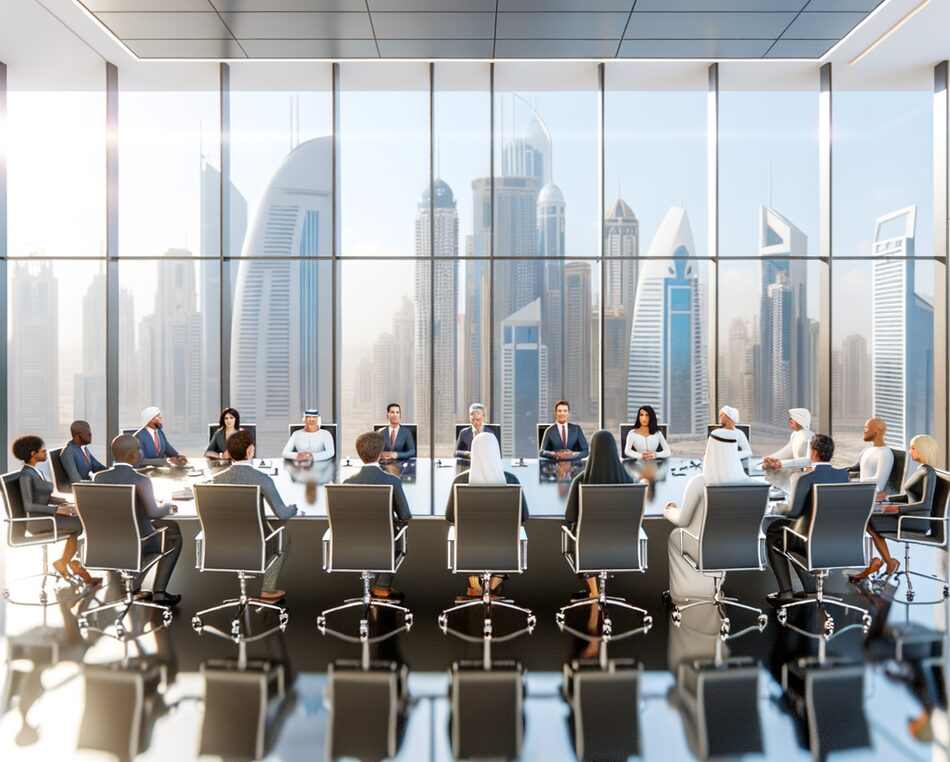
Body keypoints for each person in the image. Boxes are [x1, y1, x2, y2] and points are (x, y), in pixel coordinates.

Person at [664, 428, 751, 604]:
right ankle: (713, 589)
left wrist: (669, 510)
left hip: (705, 548)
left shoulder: (700, 482)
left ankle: (681, 593)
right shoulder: (751, 484)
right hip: (738, 547)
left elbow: (682, 521)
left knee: (675, 536)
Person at [93, 435, 182, 606]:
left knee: (167, 526)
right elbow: (154, 512)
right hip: (139, 541)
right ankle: (159, 592)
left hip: (107, 542)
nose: (142, 452)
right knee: (174, 534)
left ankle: (133, 583)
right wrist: (169, 506)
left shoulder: (99, 478)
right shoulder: (141, 480)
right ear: (133, 455)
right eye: (139, 449)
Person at [213, 430, 299, 602]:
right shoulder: (262, 479)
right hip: (256, 542)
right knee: (283, 537)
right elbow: (282, 514)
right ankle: (267, 589)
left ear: (229, 453)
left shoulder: (217, 479)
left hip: (223, 543)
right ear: (250, 450)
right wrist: (294, 508)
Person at [765, 434, 849, 604]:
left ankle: (786, 592)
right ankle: (810, 587)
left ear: (814, 452)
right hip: (838, 541)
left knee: (774, 531)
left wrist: (776, 507)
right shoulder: (843, 477)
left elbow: (793, 512)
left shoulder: (805, 478)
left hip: (809, 540)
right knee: (788, 531)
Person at [445, 432, 529, 598]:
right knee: (506, 535)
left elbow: (450, 517)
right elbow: (524, 516)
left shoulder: (460, 481)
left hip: (468, 551)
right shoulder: (511, 479)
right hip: (505, 551)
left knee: (465, 534)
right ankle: (493, 583)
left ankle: (475, 585)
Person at [851, 433, 939, 582]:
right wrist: (887, 499)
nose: (910, 451)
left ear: (923, 450)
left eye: (913, 448)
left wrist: (898, 509)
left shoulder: (928, 473)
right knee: (868, 520)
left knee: (869, 520)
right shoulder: (921, 469)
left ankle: (885, 561)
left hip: (916, 520)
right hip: (908, 515)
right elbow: (908, 496)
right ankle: (887, 561)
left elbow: (926, 504)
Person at [13, 435, 100, 586]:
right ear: (33, 454)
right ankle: (70, 562)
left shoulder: (36, 472)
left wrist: (66, 503)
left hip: (46, 515)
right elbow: (29, 506)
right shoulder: (26, 476)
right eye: (42, 451)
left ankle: (67, 562)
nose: (45, 452)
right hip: (37, 521)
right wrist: (58, 509)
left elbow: (45, 497)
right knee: (79, 524)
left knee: (79, 522)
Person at [564, 430, 634, 600]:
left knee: (580, 532)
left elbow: (570, 516)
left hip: (588, 545)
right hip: (622, 545)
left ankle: (594, 592)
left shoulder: (581, 480)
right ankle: (596, 593)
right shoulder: (628, 480)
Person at [344, 431, 412, 599]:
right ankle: (382, 586)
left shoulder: (348, 483)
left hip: (352, 543)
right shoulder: (392, 481)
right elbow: (405, 516)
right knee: (397, 536)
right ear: (381, 453)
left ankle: (379, 586)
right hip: (384, 542)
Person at [761, 408, 813, 491]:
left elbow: (809, 461)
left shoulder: (810, 436)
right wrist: (769, 459)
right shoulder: (795, 434)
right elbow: (786, 451)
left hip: (805, 472)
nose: (789, 420)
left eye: (792, 418)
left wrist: (781, 464)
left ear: (801, 420)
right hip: (794, 468)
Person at [847, 416, 895, 501]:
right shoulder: (867, 450)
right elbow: (855, 468)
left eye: (866, 428)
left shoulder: (885, 454)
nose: (864, 431)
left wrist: (852, 482)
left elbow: (879, 483)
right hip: (861, 493)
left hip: (870, 498)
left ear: (877, 431)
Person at [61, 419, 107, 484]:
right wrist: (94, 483)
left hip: (88, 485)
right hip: (82, 488)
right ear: (77, 436)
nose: (90, 434)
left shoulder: (83, 448)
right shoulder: (68, 452)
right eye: (87, 432)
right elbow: (76, 481)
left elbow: (97, 467)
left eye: (90, 432)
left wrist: (113, 472)